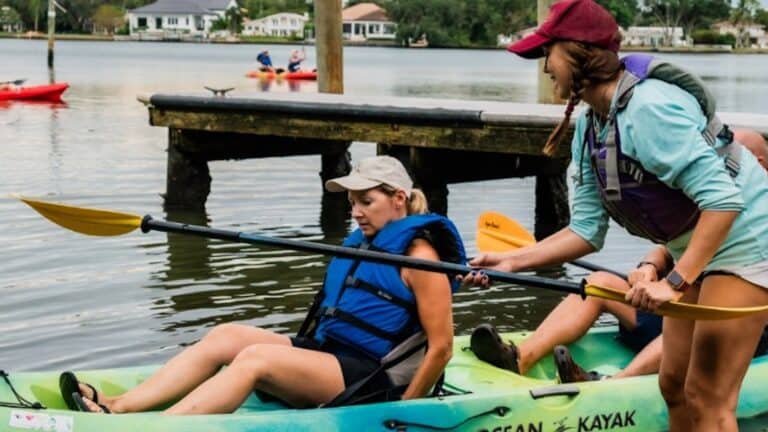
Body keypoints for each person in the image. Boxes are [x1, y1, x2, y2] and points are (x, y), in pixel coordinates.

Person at [462, 1, 768, 430]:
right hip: (700, 246)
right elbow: (586, 231)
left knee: (709, 397)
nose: (546, 67)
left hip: (750, 239)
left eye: (548, 53)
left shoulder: (648, 108)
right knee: (674, 385)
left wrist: (675, 281)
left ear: (577, 51)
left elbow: (723, 201)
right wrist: (512, 261)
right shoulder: (591, 127)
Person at [60, 155, 466, 414]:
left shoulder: (420, 259)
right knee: (226, 336)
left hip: (369, 377)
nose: (356, 212)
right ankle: (121, 406)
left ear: (398, 199)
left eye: (367, 201)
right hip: (331, 354)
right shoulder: (368, 244)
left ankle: (162, 428)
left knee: (257, 359)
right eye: (352, 203)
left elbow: (442, 347)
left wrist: (404, 412)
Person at [471, 129, 768, 383]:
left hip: (733, 326)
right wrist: (649, 267)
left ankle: (612, 385)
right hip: (674, 300)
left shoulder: (755, 214)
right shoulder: (709, 200)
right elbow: (669, 247)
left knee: (689, 324)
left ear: (756, 164)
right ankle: (521, 357)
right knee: (599, 283)